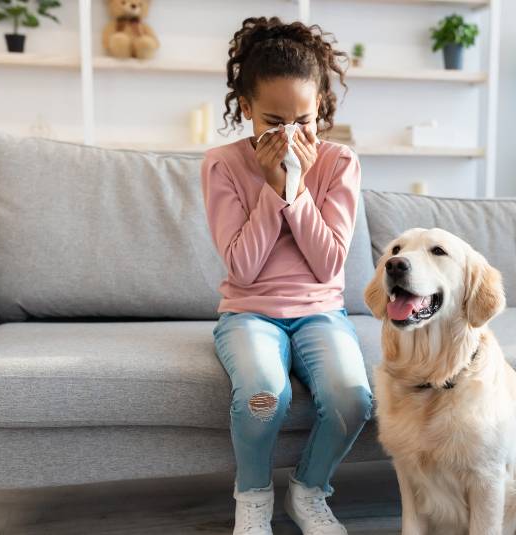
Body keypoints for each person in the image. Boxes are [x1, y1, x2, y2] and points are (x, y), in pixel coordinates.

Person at [200, 16, 371, 535]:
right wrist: (272, 190)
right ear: (245, 108)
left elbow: (329, 263)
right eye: (274, 121)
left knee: (353, 397)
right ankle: (252, 497)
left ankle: (309, 489)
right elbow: (243, 268)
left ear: (320, 106)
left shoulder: (339, 163)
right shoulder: (223, 165)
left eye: (304, 120)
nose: (291, 136)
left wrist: (295, 192)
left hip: (321, 311)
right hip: (249, 313)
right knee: (263, 396)